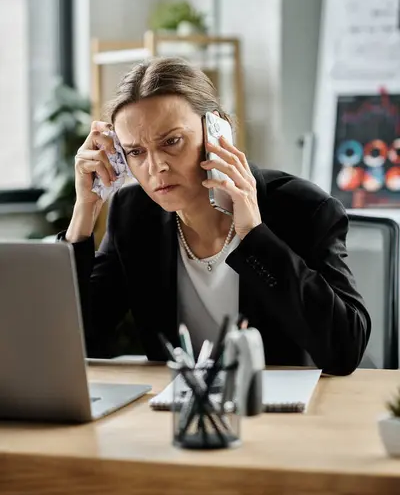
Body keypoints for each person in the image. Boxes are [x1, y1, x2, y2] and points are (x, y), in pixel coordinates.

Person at [62, 57, 371, 375]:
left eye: (172, 142)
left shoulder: (305, 209)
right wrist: (84, 212)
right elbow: (75, 341)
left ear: (216, 130)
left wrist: (254, 235)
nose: (156, 168)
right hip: (180, 412)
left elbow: (344, 350)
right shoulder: (133, 213)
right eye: (136, 152)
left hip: (280, 414)